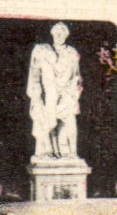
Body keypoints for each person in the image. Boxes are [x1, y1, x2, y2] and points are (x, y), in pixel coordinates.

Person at [26, 21, 82, 159]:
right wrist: (37, 95)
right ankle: (47, 152)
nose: (59, 35)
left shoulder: (72, 53)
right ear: (52, 34)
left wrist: (73, 92)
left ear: (66, 35)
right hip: (48, 93)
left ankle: (71, 153)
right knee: (47, 123)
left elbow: (77, 76)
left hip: (67, 94)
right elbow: (34, 76)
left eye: (62, 32)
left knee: (69, 123)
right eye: (56, 32)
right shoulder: (42, 51)